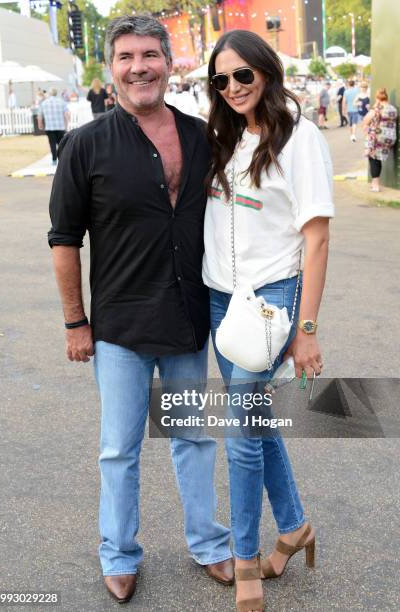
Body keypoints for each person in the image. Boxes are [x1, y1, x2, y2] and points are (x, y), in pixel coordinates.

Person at [48, 14, 232, 605]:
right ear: (112, 68)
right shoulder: (86, 144)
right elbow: (64, 240)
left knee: (194, 439)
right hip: (120, 328)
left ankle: (209, 544)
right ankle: (119, 555)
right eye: (126, 57)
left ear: (170, 62)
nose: (139, 67)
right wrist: (76, 322)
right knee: (119, 448)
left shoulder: (204, 136)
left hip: (187, 320)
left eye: (150, 55)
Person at [203, 30, 334, 612]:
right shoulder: (222, 137)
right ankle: (295, 527)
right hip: (218, 299)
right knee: (256, 422)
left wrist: (306, 330)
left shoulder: (299, 137)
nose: (232, 88)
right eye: (221, 79)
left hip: (271, 301)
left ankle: (247, 558)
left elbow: (318, 238)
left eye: (243, 76)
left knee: (239, 434)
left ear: (266, 72)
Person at [363, 87, 398, 192]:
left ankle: (375, 185)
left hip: (377, 138)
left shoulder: (377, 109)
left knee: (373, 158)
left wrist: (367, 136)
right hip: (389, 138)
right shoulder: (393, 109)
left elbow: (365, 121)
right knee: (378, 158)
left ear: (377, 98)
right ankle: (375, 184)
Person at [38, 88, 69, 166]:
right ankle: (62, 160)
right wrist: (66, 125)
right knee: (61, 144)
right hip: (60, 127)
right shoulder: (62, 102)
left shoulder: (44, 103)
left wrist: (40, 124)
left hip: (49, 127)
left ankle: (54, 160)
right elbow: (66, 114)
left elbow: (40, 116)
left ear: (50, 93)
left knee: (52, 144)